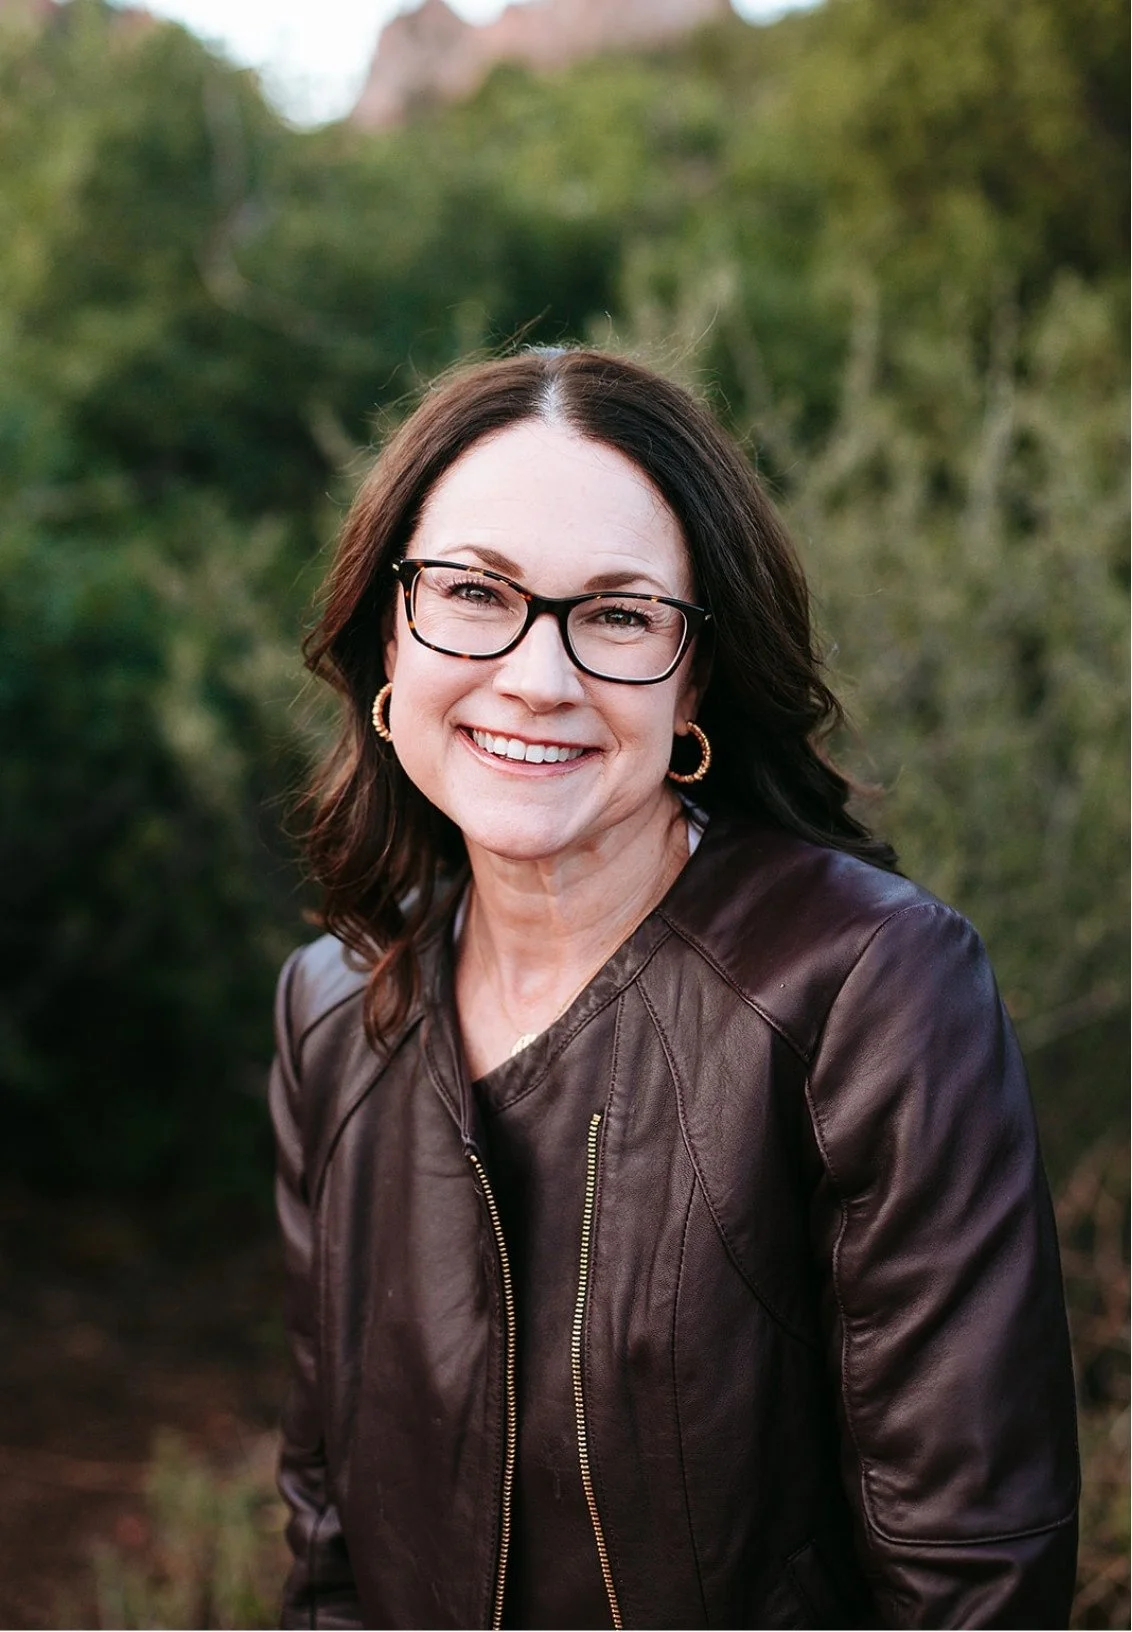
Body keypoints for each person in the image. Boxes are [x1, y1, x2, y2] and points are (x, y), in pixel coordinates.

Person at [269, 347, 1079, 1630]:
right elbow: (327, 1540)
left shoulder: (869, 988)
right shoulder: (331, 1008)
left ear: (696, 676)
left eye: (620, 614)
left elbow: (972, 1577)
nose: (538, 678)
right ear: (386, 627)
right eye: (475, 593)